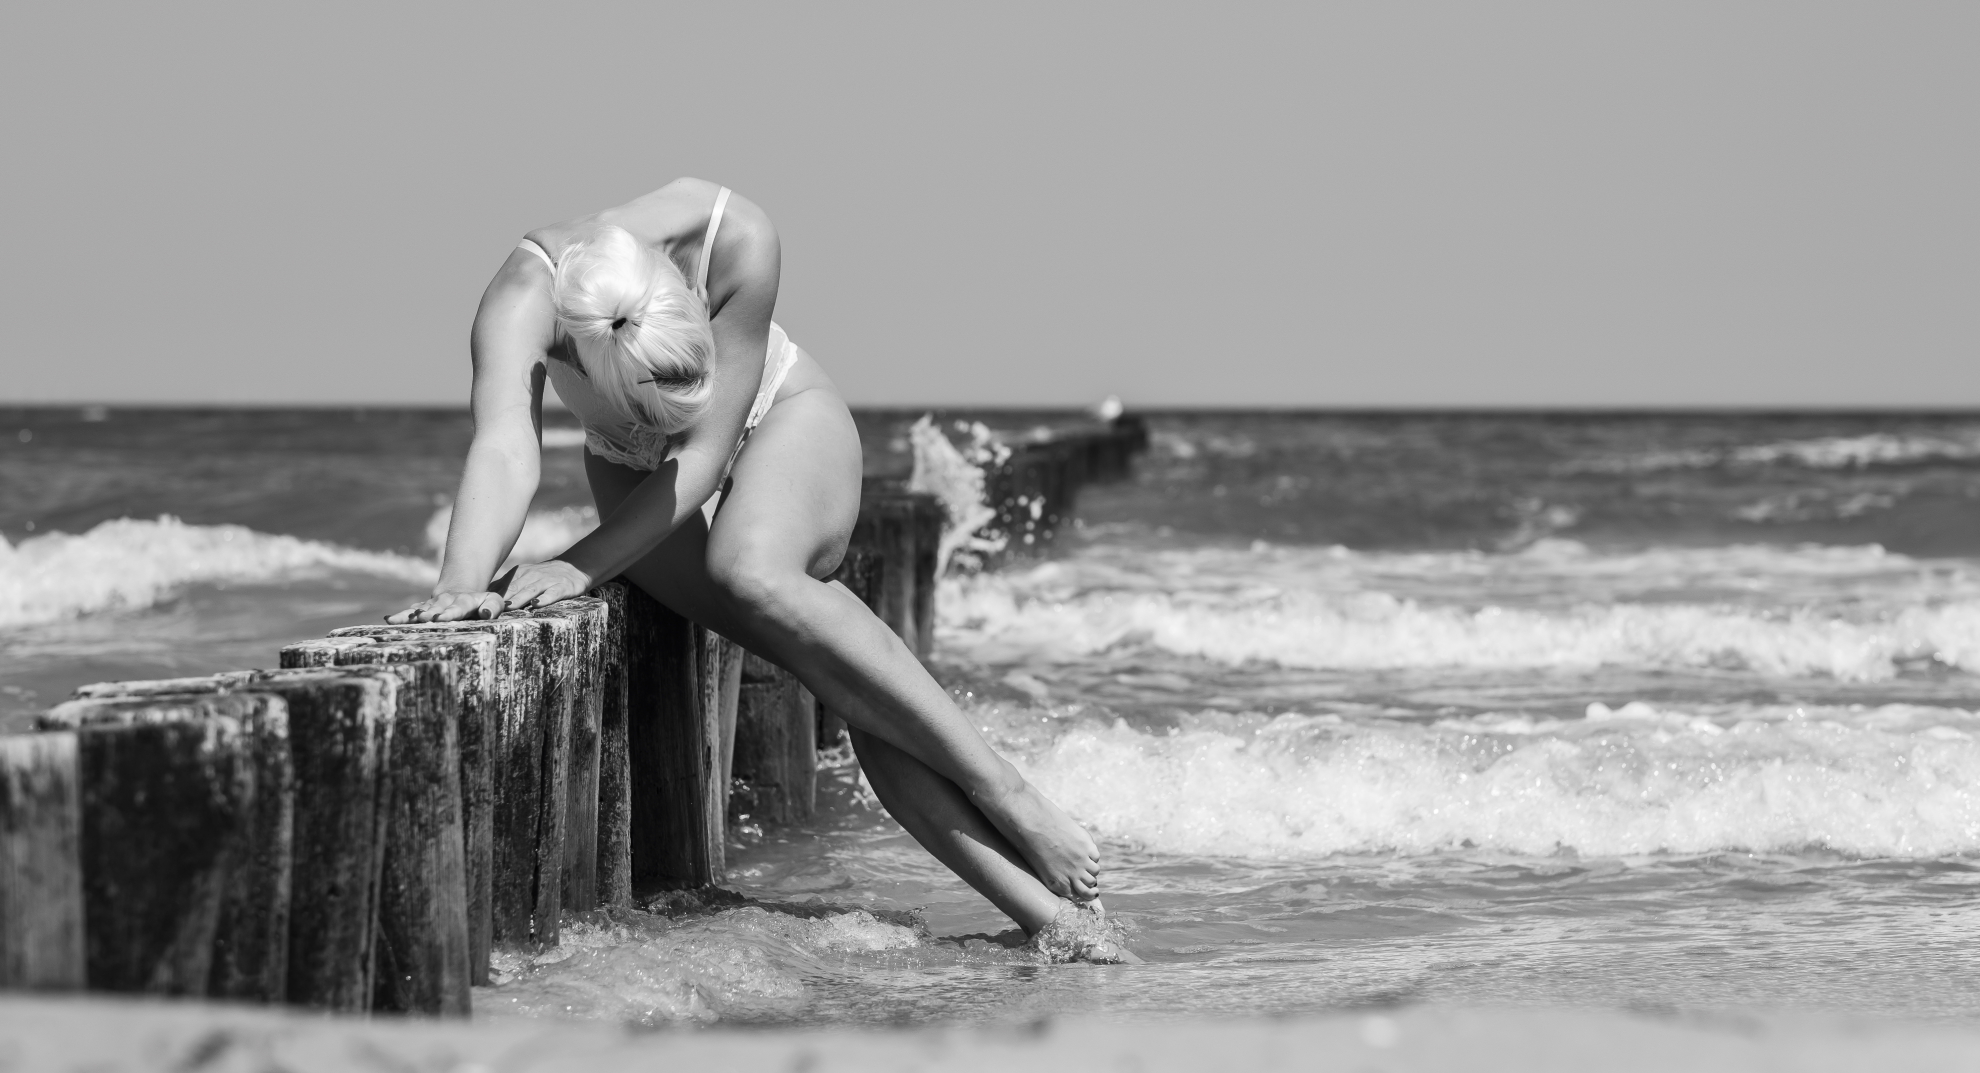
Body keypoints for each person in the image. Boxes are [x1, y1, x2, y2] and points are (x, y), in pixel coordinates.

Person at [390, 178, 1121, 956]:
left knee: (754, 570)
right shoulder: (520, 299)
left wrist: (579, 562)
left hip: (781, 418)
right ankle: (1058, 924)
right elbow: (506, 446)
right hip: (635, 476)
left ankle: (1010, 793)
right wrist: (460, 586)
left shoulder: (732, 235)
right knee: (834, 676)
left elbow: (699, 454)